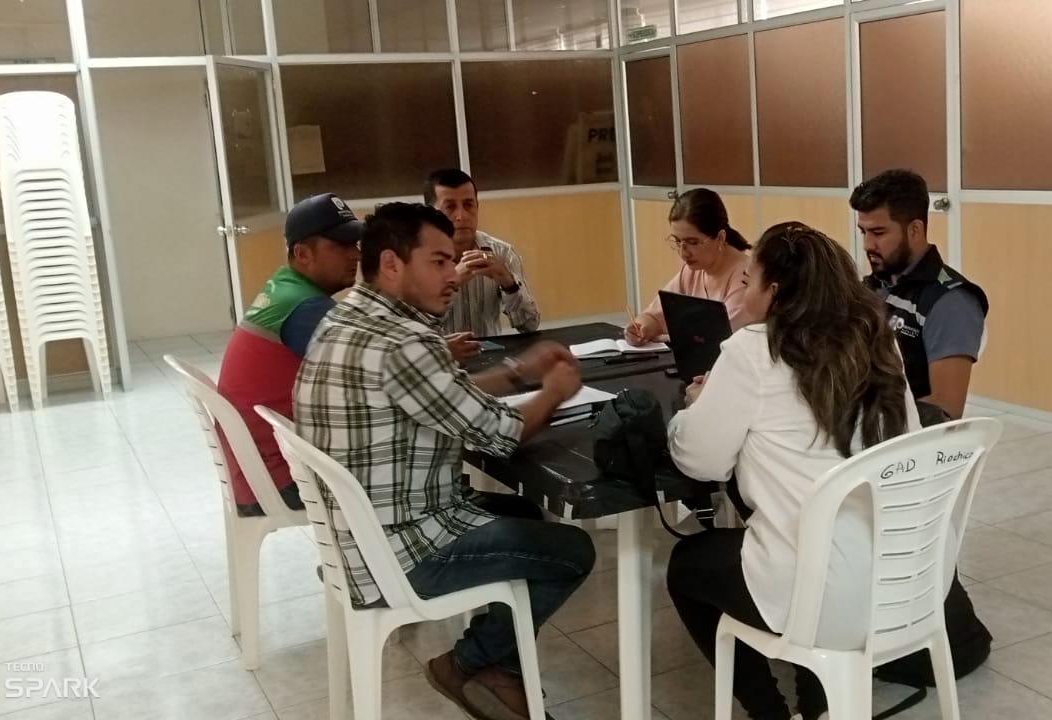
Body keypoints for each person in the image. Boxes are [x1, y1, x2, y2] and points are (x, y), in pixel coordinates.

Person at [294, 202, 594, 720]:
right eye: (438, 262)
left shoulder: (347, 317)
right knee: (572, 551)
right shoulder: (404, 341)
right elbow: (500, 433)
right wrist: (554, 391)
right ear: (392, 264)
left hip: (358, 537)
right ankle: (466, 664)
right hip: (399, 553)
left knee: (523, 515)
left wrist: (518, 372)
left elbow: (440, 393)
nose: (452, 276)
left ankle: (501, 671)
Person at [665, 222, 922, 720]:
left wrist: (696, 404)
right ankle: (816, 705)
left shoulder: (752, 351)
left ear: (776, 291)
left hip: (821, 593)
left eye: (749, 281)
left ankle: (771, 713)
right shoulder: (878, 341)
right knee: (807, 545)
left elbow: (701, 460)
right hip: (903, 584)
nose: (743, 291)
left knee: (688, 564)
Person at [217, 193, 361, 518]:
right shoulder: (307, 308)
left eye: (355, 243)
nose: (355, 254)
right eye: (341, 245)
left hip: (254, 471)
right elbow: (375, 374)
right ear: (302, 253)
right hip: (279, 479)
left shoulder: (286, 288)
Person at [851, 169, 989, 419]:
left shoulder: (950, 301)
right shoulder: (873, 286)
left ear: (915, 229)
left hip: (902, 437)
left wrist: (863, 423)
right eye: (864, 232)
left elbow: (945, 408)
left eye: (879, 233)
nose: (868, 245)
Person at [625, 188, 752, 345]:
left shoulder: (747, 277)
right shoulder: (692, 271)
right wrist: (642, 328)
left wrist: (669, 336)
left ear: (720, 238)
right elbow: (656, 315)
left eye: (692, 242)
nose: (683, 252)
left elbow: (718, 338)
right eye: (678, 241)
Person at [424, 169, 542, 337]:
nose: (461, 216)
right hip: (439, 352)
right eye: (450, 207)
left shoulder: (502, 252)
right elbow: (414, 329)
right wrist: (451, 284)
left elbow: (530, 325)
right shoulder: (416, 259)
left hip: (492, 351)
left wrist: (509, 284)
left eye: (468, 205)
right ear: (431, 214)